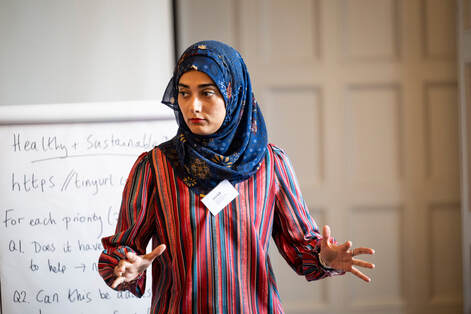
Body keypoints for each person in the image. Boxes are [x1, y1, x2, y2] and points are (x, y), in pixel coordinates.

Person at [98, 40, 375, 313]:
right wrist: (127, 266)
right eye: (184, 93)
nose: (193, 106)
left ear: (235, 94)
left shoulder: (271, 164)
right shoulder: (155, 166)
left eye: (207, 93)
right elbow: (122, 251)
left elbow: (302, 248)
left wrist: (324, 257)